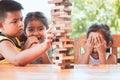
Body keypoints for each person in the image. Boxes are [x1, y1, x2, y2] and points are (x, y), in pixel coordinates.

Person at [0, 0, 53, 66]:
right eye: (15, 21)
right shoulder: (2, 42)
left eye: (21, 20)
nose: (21, 24)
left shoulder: (15, 37)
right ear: (1, 25)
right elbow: (17, 60)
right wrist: (43, 46)